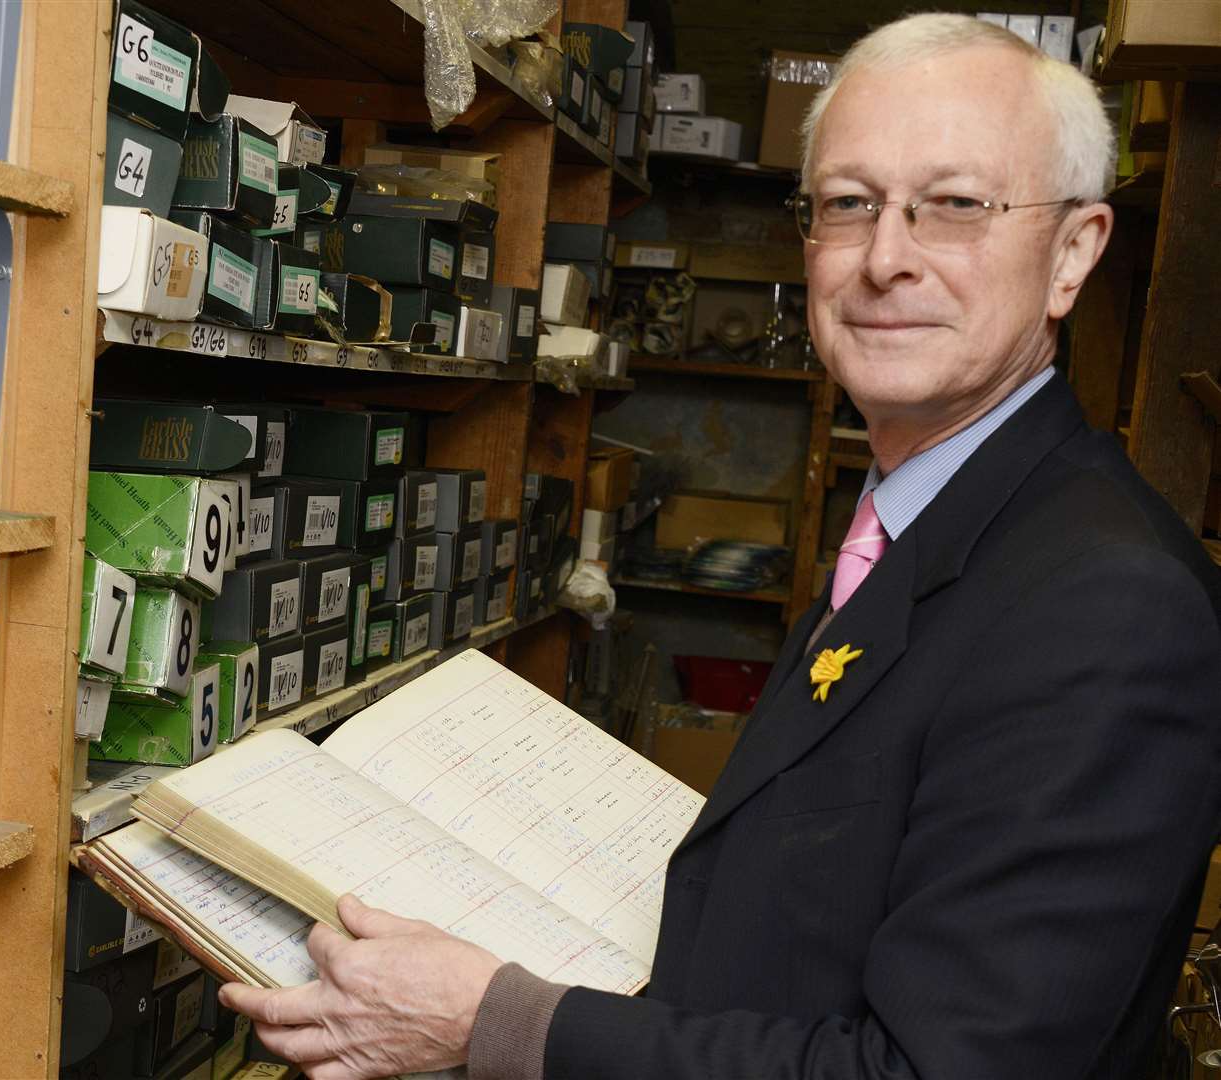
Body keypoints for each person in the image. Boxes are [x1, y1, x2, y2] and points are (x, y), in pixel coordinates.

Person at [221, 14, 1221, 1078]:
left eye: (956, 208)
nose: (886, 259)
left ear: (1072, 253)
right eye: (848, 204)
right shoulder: (927, 513)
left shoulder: (1109, 605)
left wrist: (499, 1024)